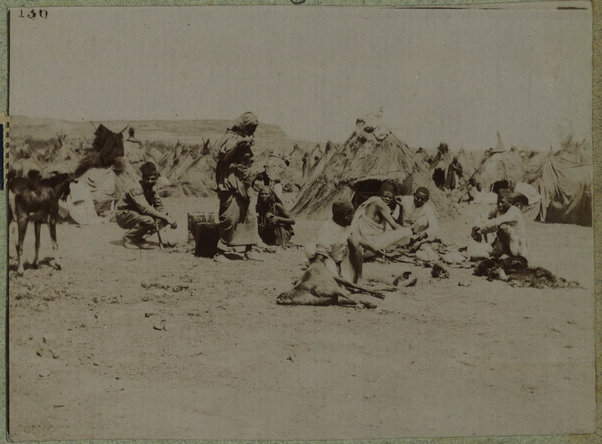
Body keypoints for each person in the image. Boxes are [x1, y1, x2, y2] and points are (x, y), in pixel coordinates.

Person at [214, 112, 260, 260]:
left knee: (249, 216)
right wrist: (237, 146)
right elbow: (222, 158)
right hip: (231, 181)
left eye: (254, 128)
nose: (252, 130)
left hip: (244, 181)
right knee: (229, 216)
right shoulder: (229, 137)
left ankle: (249, 249)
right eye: (250, 127)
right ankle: (220, 251)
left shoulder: (247, 139)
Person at [115, 161, 177, 249]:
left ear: (156, 178)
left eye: (153, 179)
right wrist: (165, 217)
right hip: (123, 214)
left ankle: (138, 238)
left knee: (163, 219)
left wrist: (166, 217)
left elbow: (158, 206)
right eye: (147, 179)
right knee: (149, 220)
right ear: (143, 178)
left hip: (137, 214)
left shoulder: (152, 188)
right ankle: (129, 238)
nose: (150, 181)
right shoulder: (136, 188)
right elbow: (145, 209)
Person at [305, 199, 362, 283]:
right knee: (333, 282)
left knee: (355, 243)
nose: (353, 216)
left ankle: (347, 275)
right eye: (352, 214)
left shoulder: (346, 225)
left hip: (341, 257)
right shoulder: (327, 229)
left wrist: (374, 248)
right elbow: (320, 256)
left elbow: (358, 239)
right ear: (346, 216)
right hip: (328, 258)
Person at [351, 182, 412, 259]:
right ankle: (382, 251)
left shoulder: (373, 203)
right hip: (371, 246)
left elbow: (398, 223)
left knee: (405, 237)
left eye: (390, 197)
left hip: (367, 245)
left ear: (393, 197)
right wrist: (411, 234)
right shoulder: (379, 204)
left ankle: (383, 251)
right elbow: (394, 225)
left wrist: (401, 207)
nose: (387, 199)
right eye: (385, 196)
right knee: (407, 233)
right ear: (380, 194)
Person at [474, 189, 528, 258]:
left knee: (503, 227)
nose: (499, 204)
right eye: (498, 201)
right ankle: (499, 251)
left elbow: (497, 221)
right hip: (505, 243)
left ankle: (511, 255)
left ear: (509, 202)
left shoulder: (514, 211)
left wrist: (480, 228)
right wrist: (477, 227)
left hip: (517, 246)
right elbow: (484, 216)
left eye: (502, 202)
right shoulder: (499, 209)